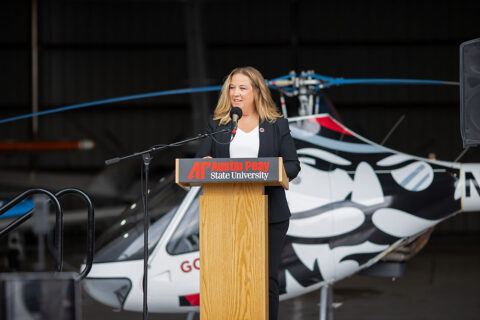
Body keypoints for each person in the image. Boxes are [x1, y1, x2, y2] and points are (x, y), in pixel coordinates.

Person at [196, 66, 300, 320]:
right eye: (232, 87)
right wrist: (206, 160)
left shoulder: (277, 125)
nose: (236, 93)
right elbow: (199, 162)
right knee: (225, 277)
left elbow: (292, 165)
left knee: (266, 278)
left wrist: (268, 170)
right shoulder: (218, 124)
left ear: (257, 91)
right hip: (224, 213)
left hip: (269, 213)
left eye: (243, 88)